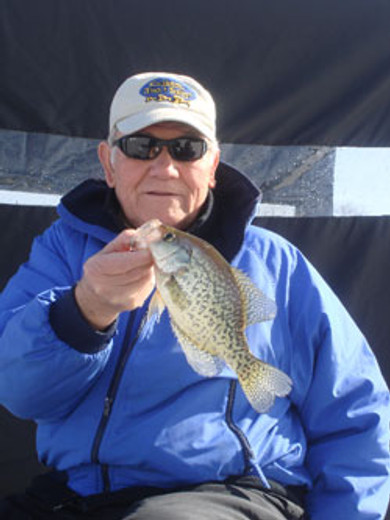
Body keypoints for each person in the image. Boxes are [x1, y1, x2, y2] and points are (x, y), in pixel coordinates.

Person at [0, 71, 389, 520]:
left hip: (226, 495)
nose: (164, 167)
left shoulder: (277, 265)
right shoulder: (61, 251)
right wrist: (87, 309)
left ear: (213, 166)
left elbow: (357, 413)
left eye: (187, 149)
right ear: (108, 163)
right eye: (141, 146)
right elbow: (18, 392)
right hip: (76, 495)